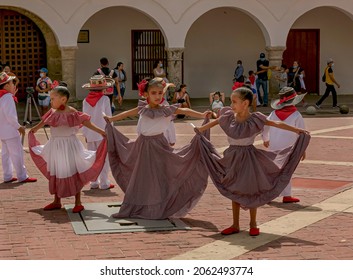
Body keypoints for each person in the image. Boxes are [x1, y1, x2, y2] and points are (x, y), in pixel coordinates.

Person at [195, 87, 310, 236]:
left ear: (245, 103)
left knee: (251, 190)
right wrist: (201, 129)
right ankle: (235, 224)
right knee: (233, 188)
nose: (231, 104)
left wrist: (297, 130)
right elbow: (216, 121)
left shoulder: (256, 119)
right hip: (232, 157)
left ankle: (253, 224)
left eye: (234, 101)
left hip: (249, 158)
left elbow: (276, 124)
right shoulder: (229, 117)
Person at [104, 77, 211, 219]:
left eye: (160, 93)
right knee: (140, 178)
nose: (157, 96)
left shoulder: (166, 110)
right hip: (142, 146)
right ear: (146, 94)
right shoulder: (143, 108)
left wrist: (202, 114)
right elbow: (129, 113)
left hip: (159, 146)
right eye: (153, 93)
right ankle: (132, 207)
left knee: (159, 178)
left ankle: (160, 208)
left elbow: (184, 110)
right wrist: (112, 119)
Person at [28, 84, 107, 213]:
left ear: (63, 99)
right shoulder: (52, 112)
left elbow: (87, 123)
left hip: (70, 145)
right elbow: (44, 121)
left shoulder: (73, 113)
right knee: (57, 169)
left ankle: (78, 202)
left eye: (53, 98)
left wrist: (101, 132)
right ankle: (56, 200)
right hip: (55, 145)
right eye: (51, 98)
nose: (51, 100)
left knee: (73, 170)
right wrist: (35, 129)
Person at [262, 87, 306, 203]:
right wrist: (302, 149)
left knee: (273, 169)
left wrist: (265, 138)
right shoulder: (296, 115)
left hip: (274, 146)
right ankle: (286, 195)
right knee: (287, 170)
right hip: (289, 147)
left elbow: (265, 126)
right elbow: (302, 133)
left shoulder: (273, 113)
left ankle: (269, 193)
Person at [0, 72, 37, 184]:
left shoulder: (2, 97)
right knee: (17, 154)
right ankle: (22, 175)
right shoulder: (7, 97)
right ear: (6, 85)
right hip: (10, 131)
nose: (14, 85)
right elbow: (10, 116)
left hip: (2, 131)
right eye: (12, 83)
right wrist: (19, 127)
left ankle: (7, 175)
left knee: (5, 154)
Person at [82, 75, 115, 190]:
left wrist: (85, 133)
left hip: (90, 133)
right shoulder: (105, 99)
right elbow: (108, 117)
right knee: (104, 158)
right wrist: (111, 131)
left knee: (93, 158)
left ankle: (94, 182)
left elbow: (84, 119)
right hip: (102, 133)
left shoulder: (85, 101)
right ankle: (104, 182)